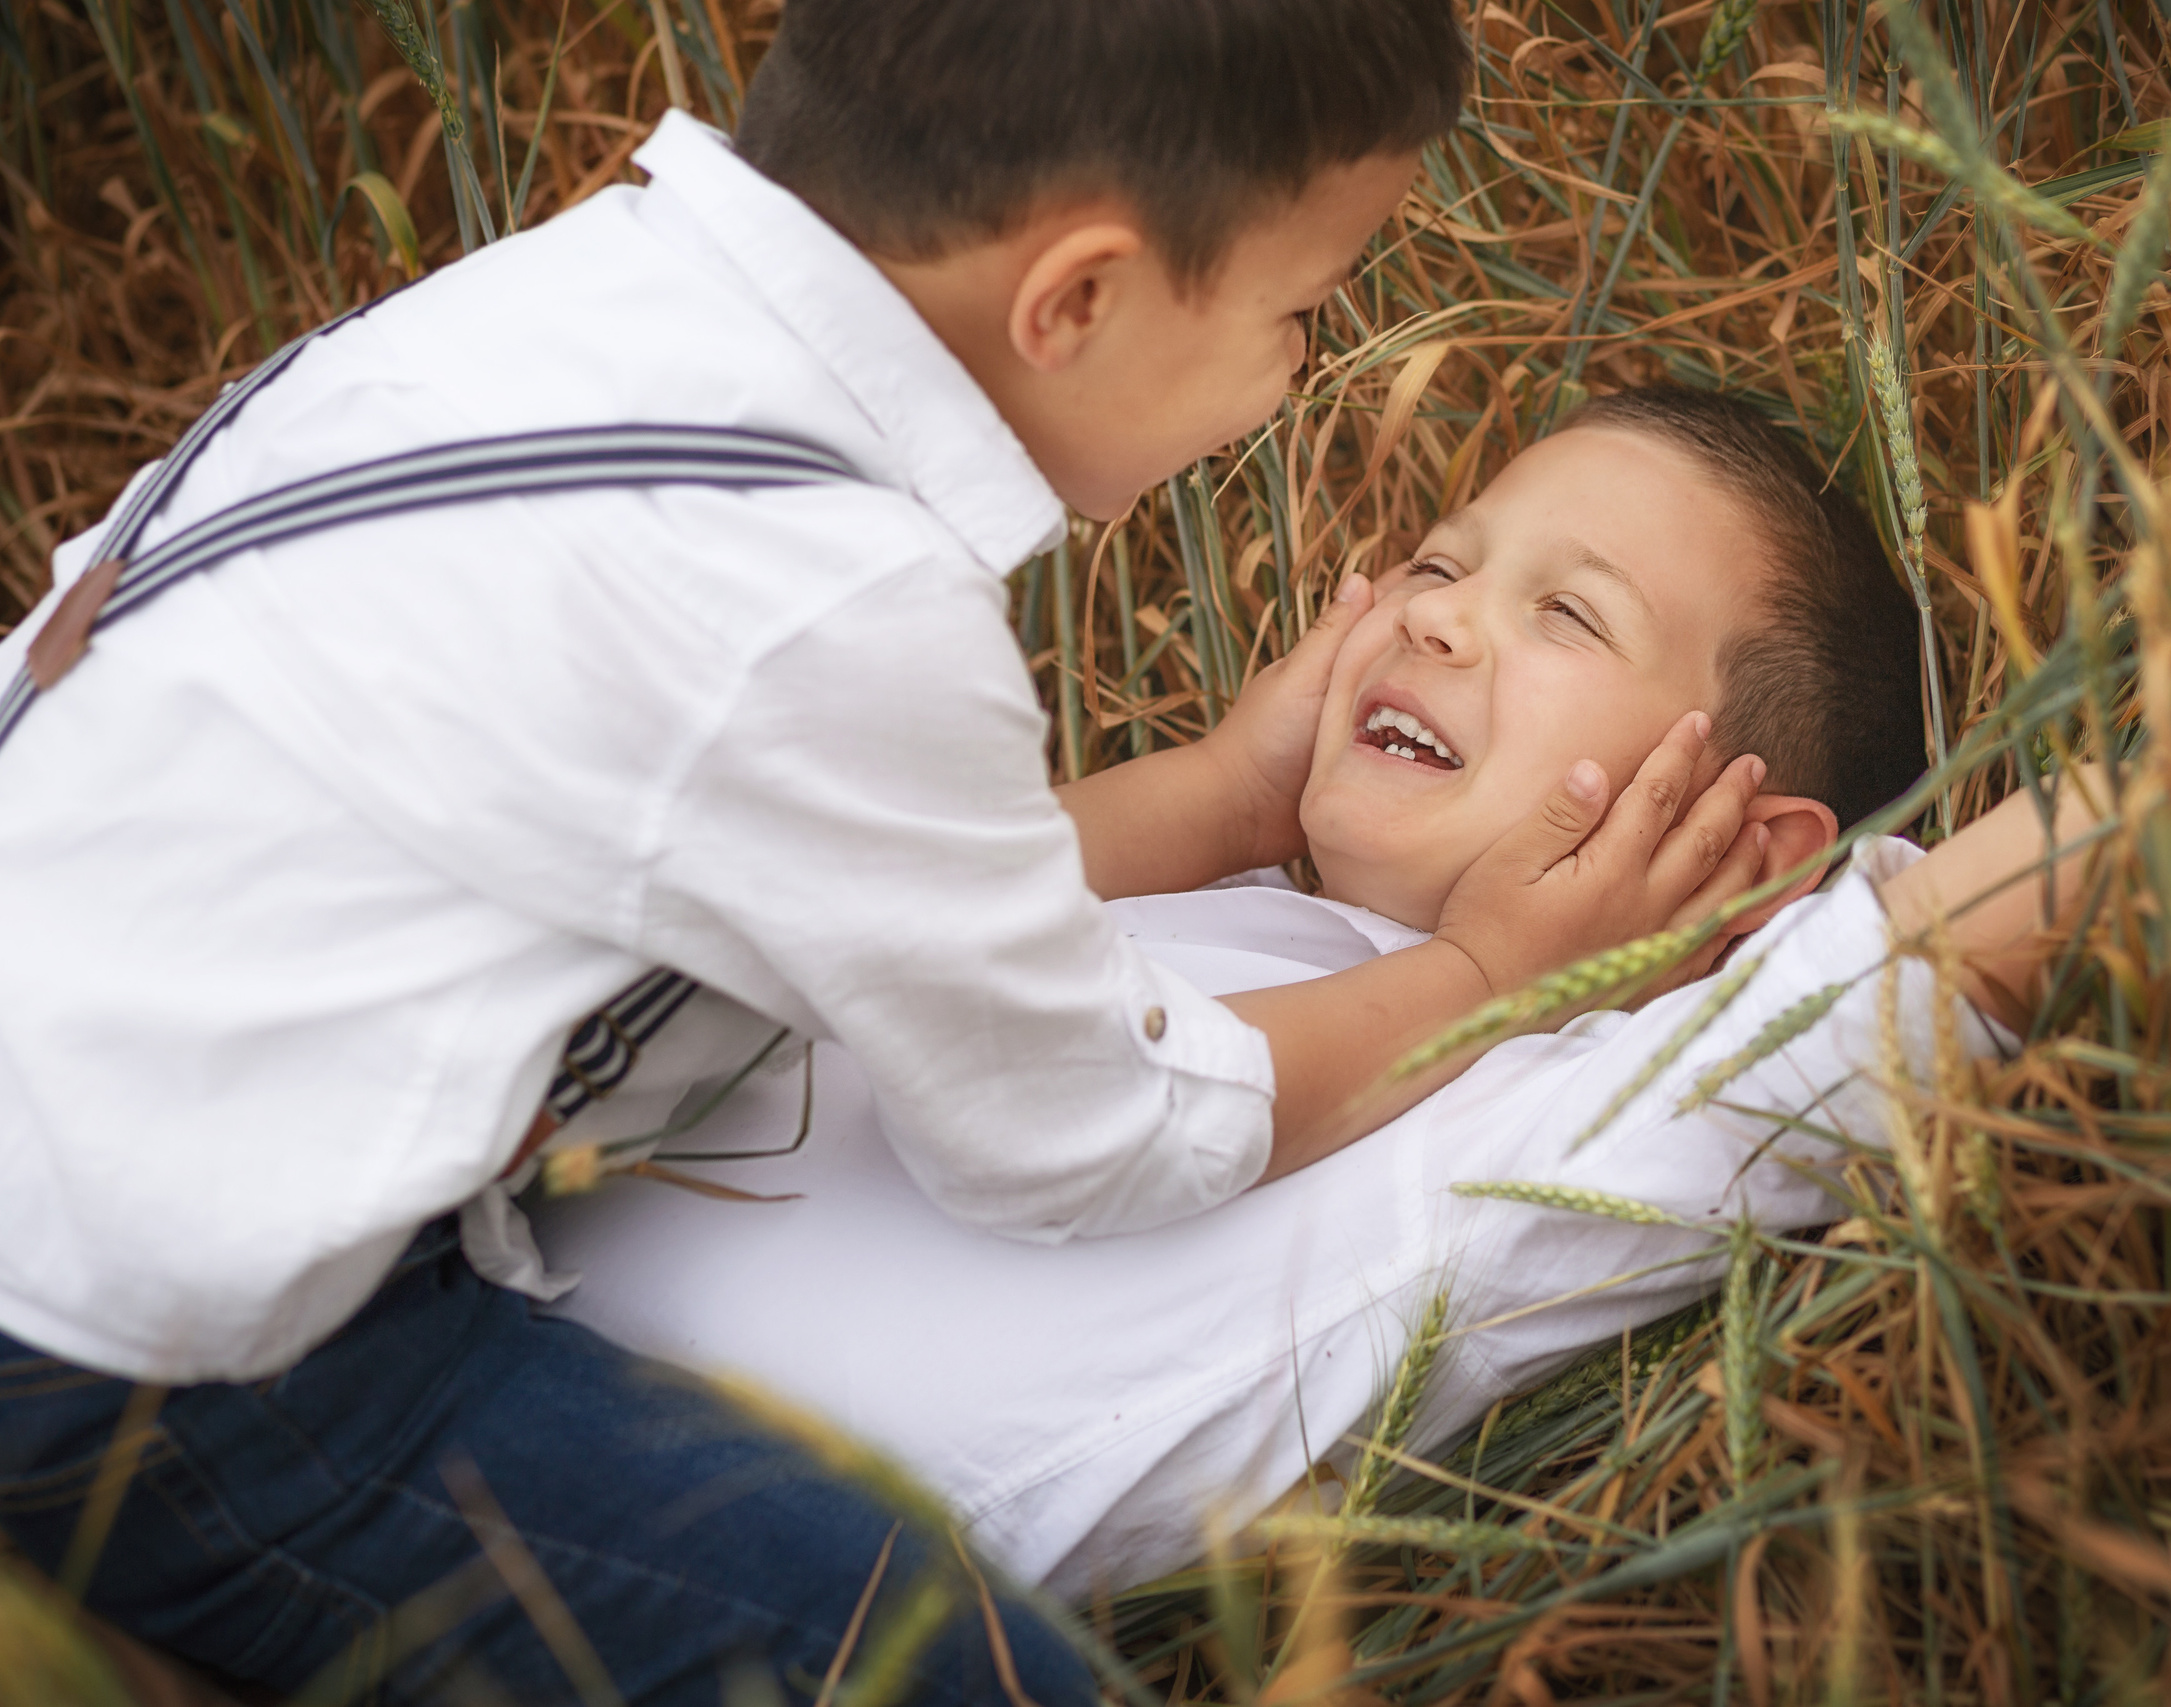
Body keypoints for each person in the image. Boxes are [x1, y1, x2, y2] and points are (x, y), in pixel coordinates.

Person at [0, 6, 1759, 1704]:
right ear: (1078, 300)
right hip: (135, 1342)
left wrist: (1230, 792)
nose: (1299, 368)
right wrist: (1481, 980)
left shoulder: (551, 307)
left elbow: (859, 900)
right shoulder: (831, 595)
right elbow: (1090, 1137)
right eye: (1298, 313)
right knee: (935, 1660)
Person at [528, 388, 2115, 1594]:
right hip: (444, 1317)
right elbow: (874, 910)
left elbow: (2038, 882)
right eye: (1441, 560)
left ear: (1734, 850)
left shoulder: (1591, 1104)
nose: (1431, 610)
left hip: (637, 1558)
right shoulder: (1223, 901)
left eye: (1566, 613)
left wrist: (1550, 966)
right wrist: (1231, 789)